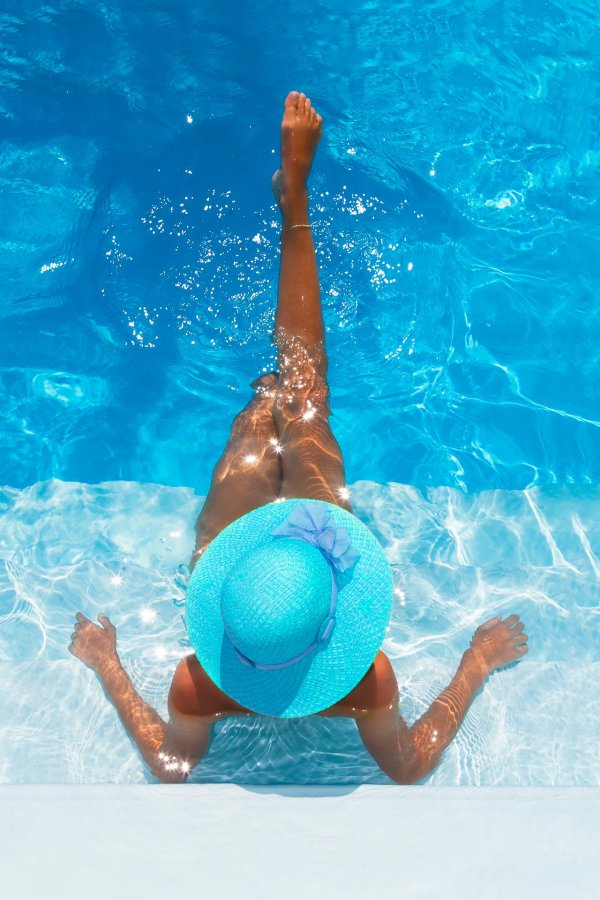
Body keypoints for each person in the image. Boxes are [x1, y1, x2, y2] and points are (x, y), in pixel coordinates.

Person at [68, 91, 529, 784]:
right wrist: (476, 662)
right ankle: (295, 207)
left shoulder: (201, 684)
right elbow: (407, 764)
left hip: (271, 579)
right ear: (335, 624)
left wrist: (109, 665)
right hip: (266, 574)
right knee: (300, 398)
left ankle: (293, 216)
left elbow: (170, 762)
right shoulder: (366, 683)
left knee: (275, 404)